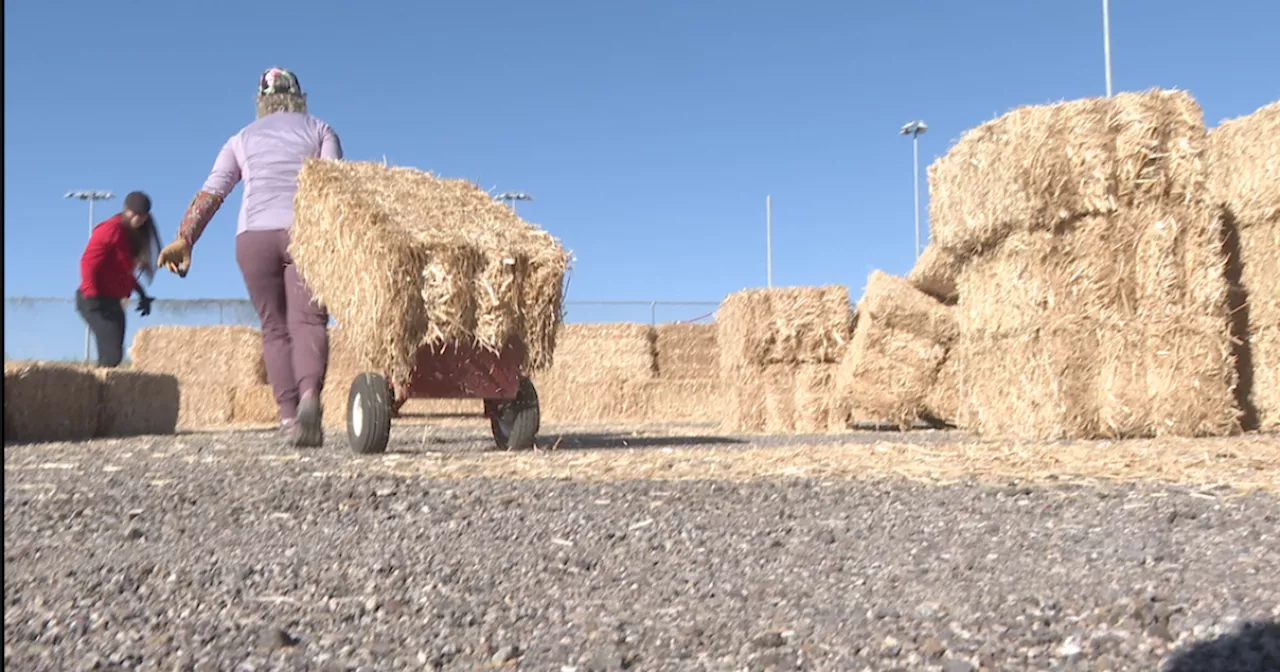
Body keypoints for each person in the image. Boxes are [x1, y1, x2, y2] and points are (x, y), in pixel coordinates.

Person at [157, 67, 343, 447]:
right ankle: (310, 396)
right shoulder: (320, 129)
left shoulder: (241, 138)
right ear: (299, 96)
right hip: (305, 234)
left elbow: (214, 190)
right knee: (308, 321)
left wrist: (184, 238)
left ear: (261, 101)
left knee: (274, 328)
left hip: (253, 238)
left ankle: (289, 418)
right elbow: (335, 185)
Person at [76, 191, 160, 368]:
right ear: (125, 210)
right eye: (133, 213)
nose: (137, 218)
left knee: (115, 356)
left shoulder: (130, 236)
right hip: (92, 298)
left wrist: (141, 294)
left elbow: (123, 271)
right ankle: (98, 392)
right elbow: (88, 263)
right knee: (110, 354)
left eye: (142, 215)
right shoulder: (110, 229)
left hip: (112, 301)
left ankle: (105, 391)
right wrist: (91, 294)